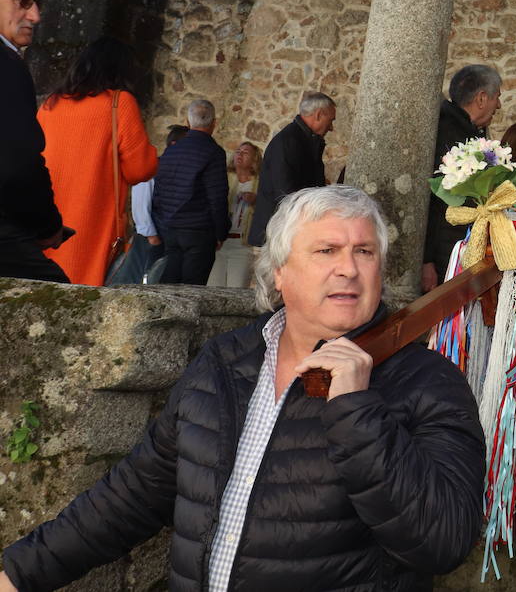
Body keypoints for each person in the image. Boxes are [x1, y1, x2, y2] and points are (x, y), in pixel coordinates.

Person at [0, 185, 486, 591]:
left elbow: (441, 542)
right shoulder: (223, 363)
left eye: (364, 251)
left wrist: (357, 410)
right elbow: (135, 495)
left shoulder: (426, 381)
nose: (349, 268)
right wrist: (18, 574)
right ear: (279, 273)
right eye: (326, 251)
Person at [36, 36, 158, 286]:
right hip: (91, 228)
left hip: (45, 229)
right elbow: (141, 169)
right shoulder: (119, 103)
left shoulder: (50, 104)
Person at [0, 0, 71, 282]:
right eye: (23, 1)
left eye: (37, 3)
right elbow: (17, 164)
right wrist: (47, 226)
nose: (35, 15)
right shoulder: (7, 64)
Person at [422, 65, 501, 291]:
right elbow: (429, 199)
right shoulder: (446, 132)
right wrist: (426, 260)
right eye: (497, 97)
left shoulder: (468, 131)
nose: (499, 105)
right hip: (442, 253)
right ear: (482, 98)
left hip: (458, 245)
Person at [152, 100, 230, 285]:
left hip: (171, 228)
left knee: (169, 284)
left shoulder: (171, 151)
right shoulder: (213, 152)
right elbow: (217, 196)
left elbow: (159, 192)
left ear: (187, 122)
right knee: (192, 289)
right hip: (199, 231)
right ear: (214, 123)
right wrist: (221, 232)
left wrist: (163, 224)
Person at [248, 92, 335, 248]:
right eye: (330, 121)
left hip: (288, 231)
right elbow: (286, 193)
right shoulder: (289, 142)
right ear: (319, 115)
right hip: (282, 234)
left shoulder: (302, 141)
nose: (332, 127)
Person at [111, 124, 190, 286]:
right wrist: (151, 235)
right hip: (150, 238)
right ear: (174, 145)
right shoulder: (154, 167)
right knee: (139, 280)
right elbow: (140, 202)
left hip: (165, 238)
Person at [207, 141, 261, 290]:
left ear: (254, 159)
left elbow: (267, 209)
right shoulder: (224, 177)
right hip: (220, 242)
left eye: (245, 152)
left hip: (242, 245)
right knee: (212, 289)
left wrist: (256, 201)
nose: (239, 154)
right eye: (238, 151)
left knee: (236, 289)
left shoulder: (259, 183)